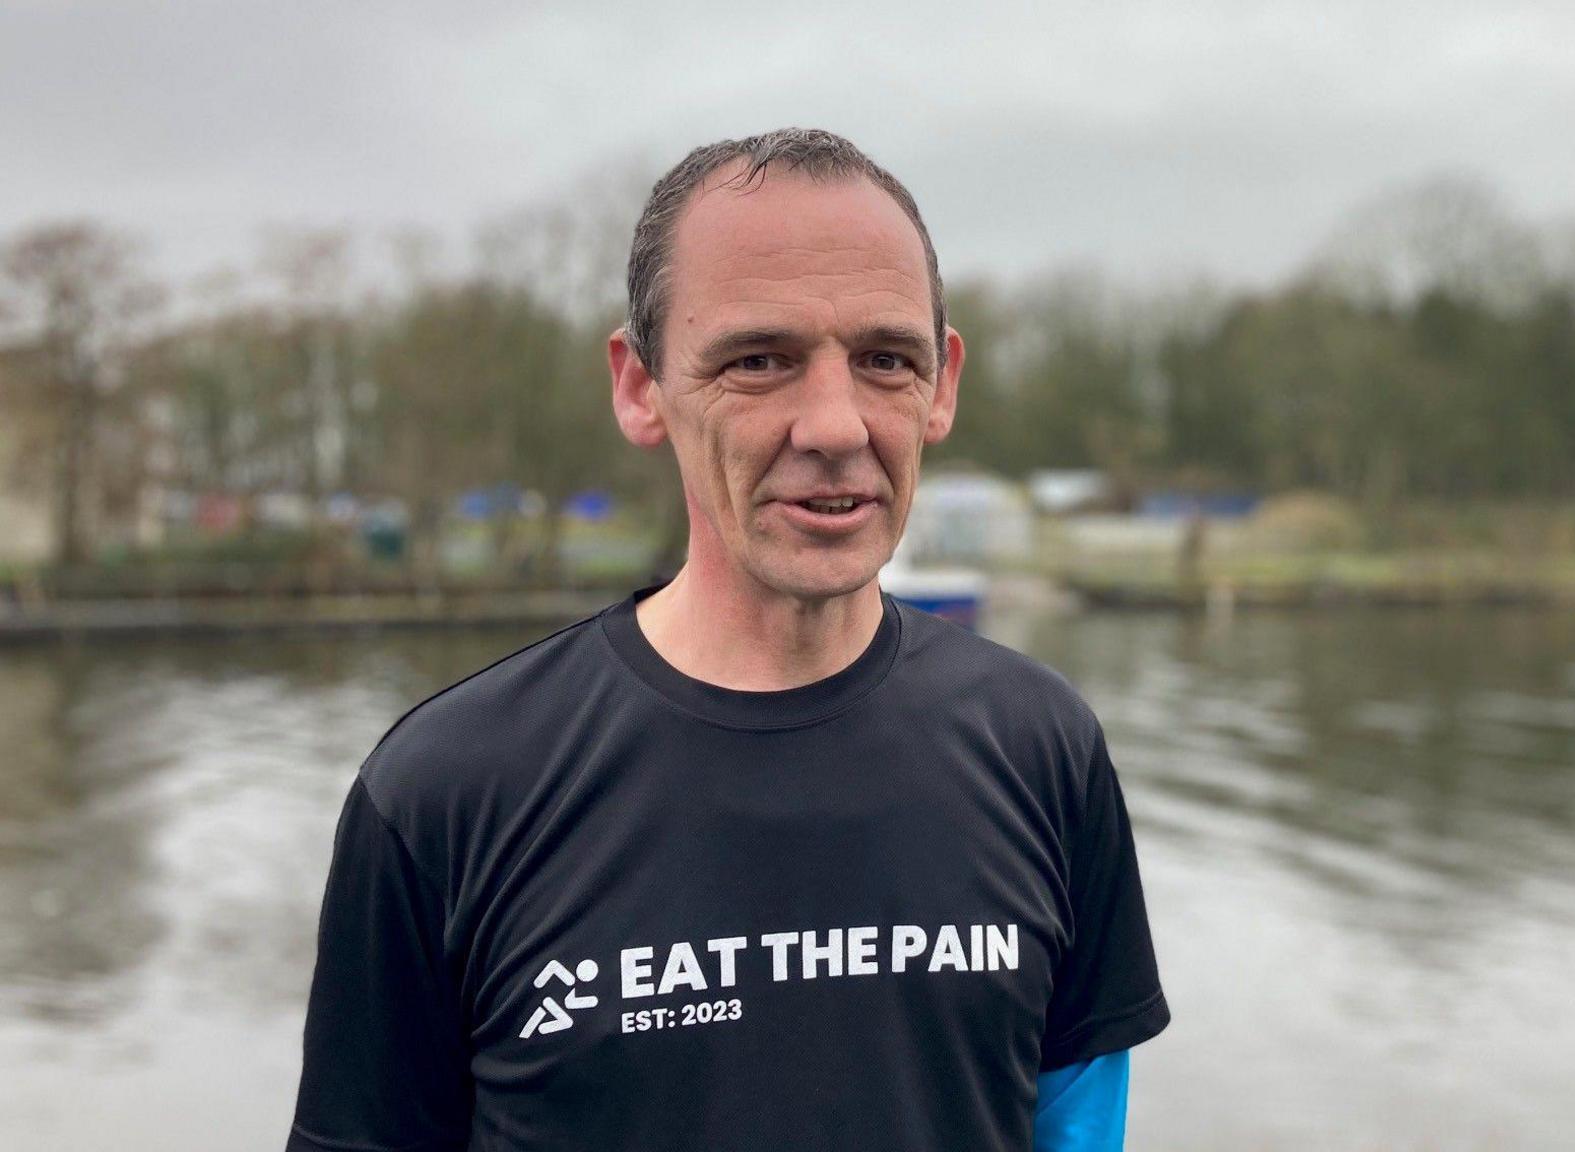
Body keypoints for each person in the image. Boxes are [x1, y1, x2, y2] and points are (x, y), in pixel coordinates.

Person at [287, 128, 1169, 1151]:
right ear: (638, 385)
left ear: (942, 384)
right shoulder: (445, 794)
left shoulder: (1042, 747)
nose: (835, 424)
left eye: (885, 359)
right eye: (760, 361)